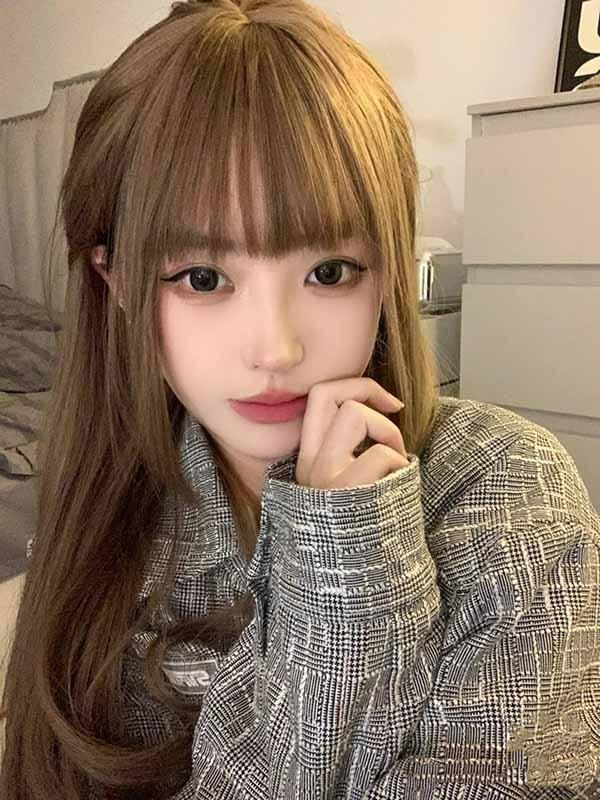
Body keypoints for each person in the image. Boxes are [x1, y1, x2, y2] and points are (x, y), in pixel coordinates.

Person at [1, 0, 599, 798]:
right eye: (203, 278)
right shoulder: (107, 516)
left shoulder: (507, 493)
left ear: (386, 270)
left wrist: (342, 575)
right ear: (116, 284)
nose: (277, 349)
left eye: (329, 272)